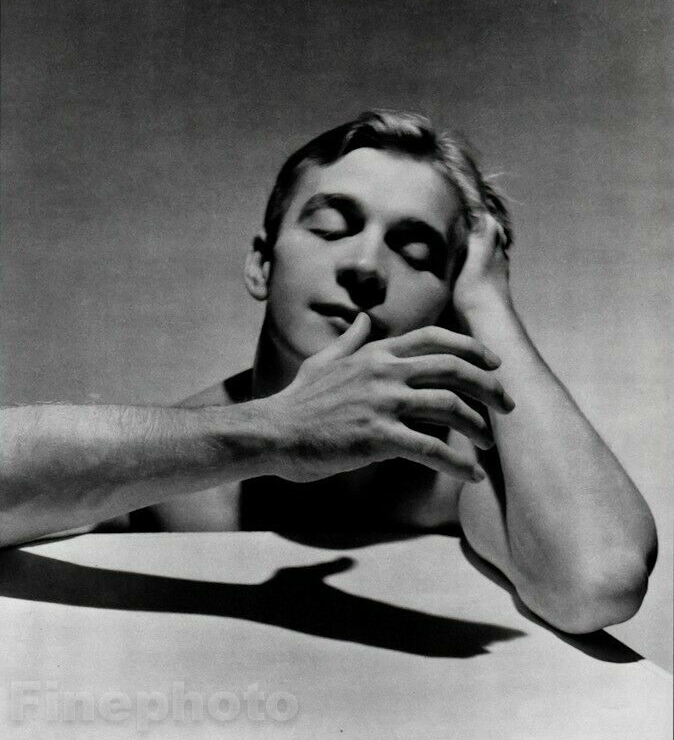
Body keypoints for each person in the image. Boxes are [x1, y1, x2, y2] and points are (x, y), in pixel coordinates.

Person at [0, 111, 657, 634]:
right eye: (332, 227)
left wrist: (489, 306)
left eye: (416, 251)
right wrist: (276, 432)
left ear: (448, 303)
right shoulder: (172, 471)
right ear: (262, 264)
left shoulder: (458, 476)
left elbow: (600, 581)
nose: (366, 267)